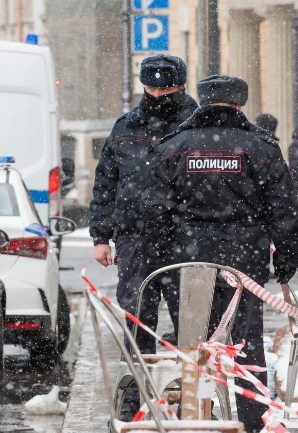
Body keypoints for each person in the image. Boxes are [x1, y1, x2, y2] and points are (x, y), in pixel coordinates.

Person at [141, 75, 298, 433]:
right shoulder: (260, 146)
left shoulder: (174, 145)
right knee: (246, 338)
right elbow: (283, 208)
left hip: (188, 257)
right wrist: (288, 255)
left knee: (193, 337)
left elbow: (153, 211)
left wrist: (158, 258)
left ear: (203, 101)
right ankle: (252, 419)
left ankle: (196, 412)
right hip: (244, 257)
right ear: (239, 103)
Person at [89, 55, 197, 358]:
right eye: (152, 89)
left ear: (181, 86)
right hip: (135, 237)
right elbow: (105, 184)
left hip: (185, 237)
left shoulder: (197, 126)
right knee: (137, 316)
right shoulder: (125, 127)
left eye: (166, 90)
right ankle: (138, 380)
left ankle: (192, 384)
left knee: (190, 320)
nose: (158, 95)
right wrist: (100, 237)